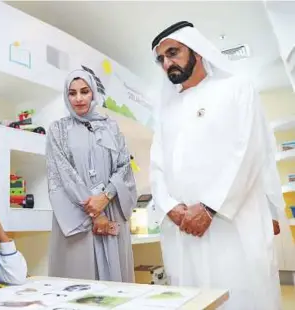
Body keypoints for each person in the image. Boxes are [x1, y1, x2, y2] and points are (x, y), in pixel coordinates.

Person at [150, 21, 283, 309]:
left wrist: (210, 207)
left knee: (242, 296)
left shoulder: (237, 88)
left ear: (196, 50)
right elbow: (156, 165)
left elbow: (249, 151)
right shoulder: (166, 109)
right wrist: (170, 206)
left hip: (231, 225)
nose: (166, 63)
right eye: (161, 58)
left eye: (173, 52)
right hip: (183, 229)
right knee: (193, 297)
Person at [45, 69, 137, 282]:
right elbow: (62, 173)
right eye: (72, 93)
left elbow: (124, 166)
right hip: (79, 216)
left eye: (84, 91)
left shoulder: (111, 127)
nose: (78, 98)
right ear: (66, 96)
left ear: (93, 93)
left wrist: (105, 197)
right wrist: (96, 212)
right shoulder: (58, 129)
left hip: (111, 207)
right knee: (80, 282)